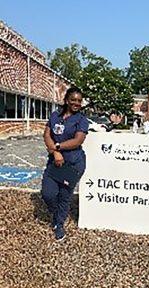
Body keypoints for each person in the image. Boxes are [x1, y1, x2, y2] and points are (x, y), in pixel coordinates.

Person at [41, 86, 89, 241]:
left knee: (64, 195)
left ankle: (59, 224)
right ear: (67, 100)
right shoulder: (55, 116)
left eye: (79, 101)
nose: (76, 103)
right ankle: (57, 214)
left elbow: (78, 140)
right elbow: (47, 134)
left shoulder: (82, 120)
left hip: (73, 163)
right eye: (73, 100)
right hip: (55, 160)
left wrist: (57, 147)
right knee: (48, 193)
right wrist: (55, 152)